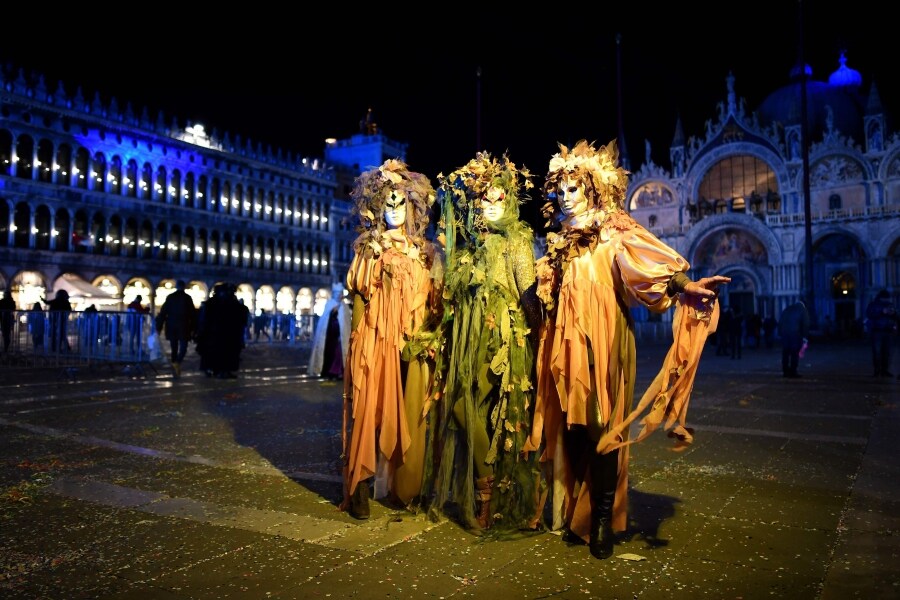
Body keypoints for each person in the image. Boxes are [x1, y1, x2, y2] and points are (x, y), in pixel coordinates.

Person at [526, 139, 730, 560]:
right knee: (572, 430)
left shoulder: (613, 233)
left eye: (574, 190)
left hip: (602, 342)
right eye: (559, 191)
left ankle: (602, 517)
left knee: (602, 428)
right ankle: (576, 510)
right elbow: (543, 295)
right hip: (563, 348)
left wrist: (683, 286)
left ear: (593, 189)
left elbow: (645, 268)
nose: (565, 199)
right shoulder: (557, 245)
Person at [427, 151, 544, 534]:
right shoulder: (473, 245)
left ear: (509, 202)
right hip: (468, 339)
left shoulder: (517, 244)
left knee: (496, 417)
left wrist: (539, 340)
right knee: (462, 407)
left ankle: (489, 493)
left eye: (499, 199)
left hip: (502, 341)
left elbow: (528, 296)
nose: (492, 206)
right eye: (485, 199)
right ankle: (484, 485)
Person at [341, 159, 441, 520]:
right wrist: (356, 344)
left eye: (402, 204)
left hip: (411, 344)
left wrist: (429, 336)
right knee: (369, 410)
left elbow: (432, 300)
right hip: (376, 340)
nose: (395, 211)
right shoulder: (370, 247)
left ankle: (404, 487)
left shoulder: (425, 252)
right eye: (389, 203)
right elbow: (358, 296)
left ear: (413, 207)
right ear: (378, 205)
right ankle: (360, 487)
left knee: (409, 412)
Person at [196, 283, 248, 378]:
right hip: (219, 333)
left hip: (220, 333)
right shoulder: (222, 303)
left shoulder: (216, 302)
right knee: (221, 351)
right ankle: (220, 370)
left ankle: (218, 370)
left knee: (221, 351)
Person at [307, 282, 351, 380]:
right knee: (330, 354)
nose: (340, 296)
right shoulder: (330, 304)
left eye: (341, 294)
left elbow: (346, 323)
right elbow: (325, 321)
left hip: (340, 337)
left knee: (339, 355)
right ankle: (328, 371)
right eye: (338, 294)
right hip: (330, 336)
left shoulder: (344, 306)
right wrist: (333, 312)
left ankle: (339, 372)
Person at [155, 280, 198, 378]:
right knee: (183, 347)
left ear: (176, 287)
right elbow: (193, 314)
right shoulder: (187, 298)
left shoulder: (170, 297)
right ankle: (177, 363)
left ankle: (175, 364)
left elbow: (163, 312)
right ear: (184, 287)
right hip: (184, 326)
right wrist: (194, 328)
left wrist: (159, 327)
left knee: (174, 348)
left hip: (171, 325)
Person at [865, 289, 898, 378]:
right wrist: (881, 311)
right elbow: (869, 314)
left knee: (886, 352)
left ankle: (885, 370)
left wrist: (894, 313)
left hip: (888, 331)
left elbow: (895, 316)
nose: (887, 300)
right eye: (886, 298)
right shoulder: (873, 305)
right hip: (877, 331)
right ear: (881, 298)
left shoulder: (890, 305)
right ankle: (877, 370)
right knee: (877, 352)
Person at [778, 300, 810, 378]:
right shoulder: (803, 310)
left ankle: (785, 371)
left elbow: (780, 322)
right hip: (795, 334)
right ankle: (793, 371)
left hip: (785, 334)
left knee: (785, 353)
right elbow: (805, 324)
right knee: (794, 353)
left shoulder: (787, 309)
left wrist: (780, 333)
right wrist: (805, 337)